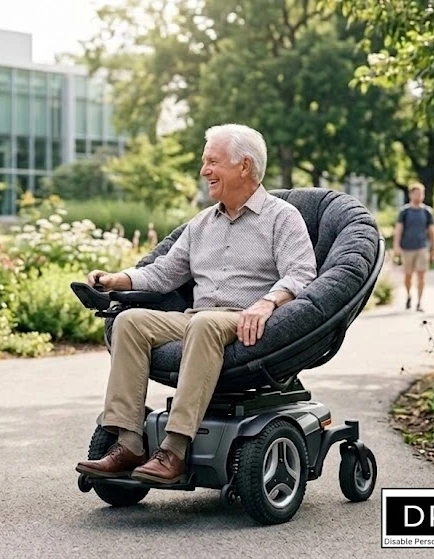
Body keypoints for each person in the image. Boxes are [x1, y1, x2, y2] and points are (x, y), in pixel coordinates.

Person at [75, 124, 317, 484]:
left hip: (246, 321)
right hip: (197, 318)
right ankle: (129, 443)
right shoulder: (202, 223)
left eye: (212, 161)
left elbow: (301, 274)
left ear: (244, 166)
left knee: (204, 325)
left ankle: (173, 450)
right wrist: (117, 280)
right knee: (130, 322)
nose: (204, 171)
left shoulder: (282, 217)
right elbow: (163, 273)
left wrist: (268, 303)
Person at [392, 183, 434, 312]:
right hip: (407, 247)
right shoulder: (405, 212)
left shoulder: (427, 212)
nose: (420, 196)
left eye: (421, 193)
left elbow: (431, 230)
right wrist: (396, 245)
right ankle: (408, 296)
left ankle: (419, 302)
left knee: (421, 274)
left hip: (422, 247)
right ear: (411, 195)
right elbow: (399, 229)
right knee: (408, 275)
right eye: (417, 193)